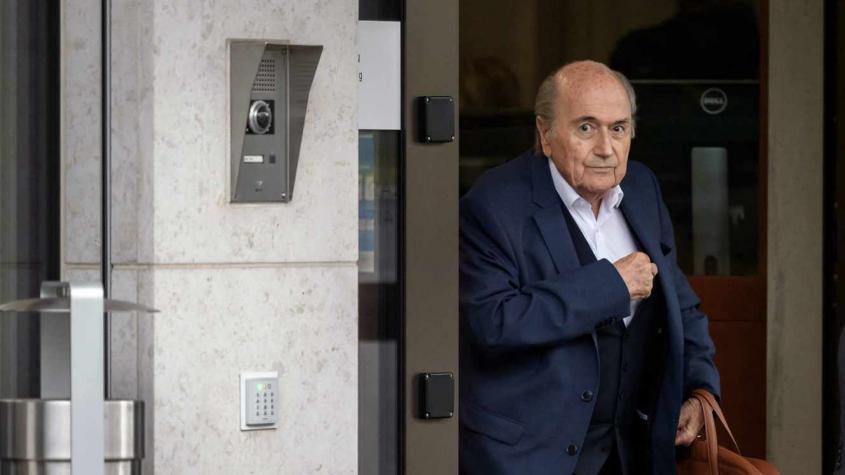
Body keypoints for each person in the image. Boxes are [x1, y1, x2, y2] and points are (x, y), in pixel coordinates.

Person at [459, 61, 720, 474]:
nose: (606, 148)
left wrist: (699, 387)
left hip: (630, 454)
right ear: (545, 133)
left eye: (618, 128)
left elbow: (681, 305)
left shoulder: (641, 188)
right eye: (586, 127)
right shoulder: (493, 204)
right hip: (529, 456)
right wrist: (609, 286)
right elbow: (493, 322)